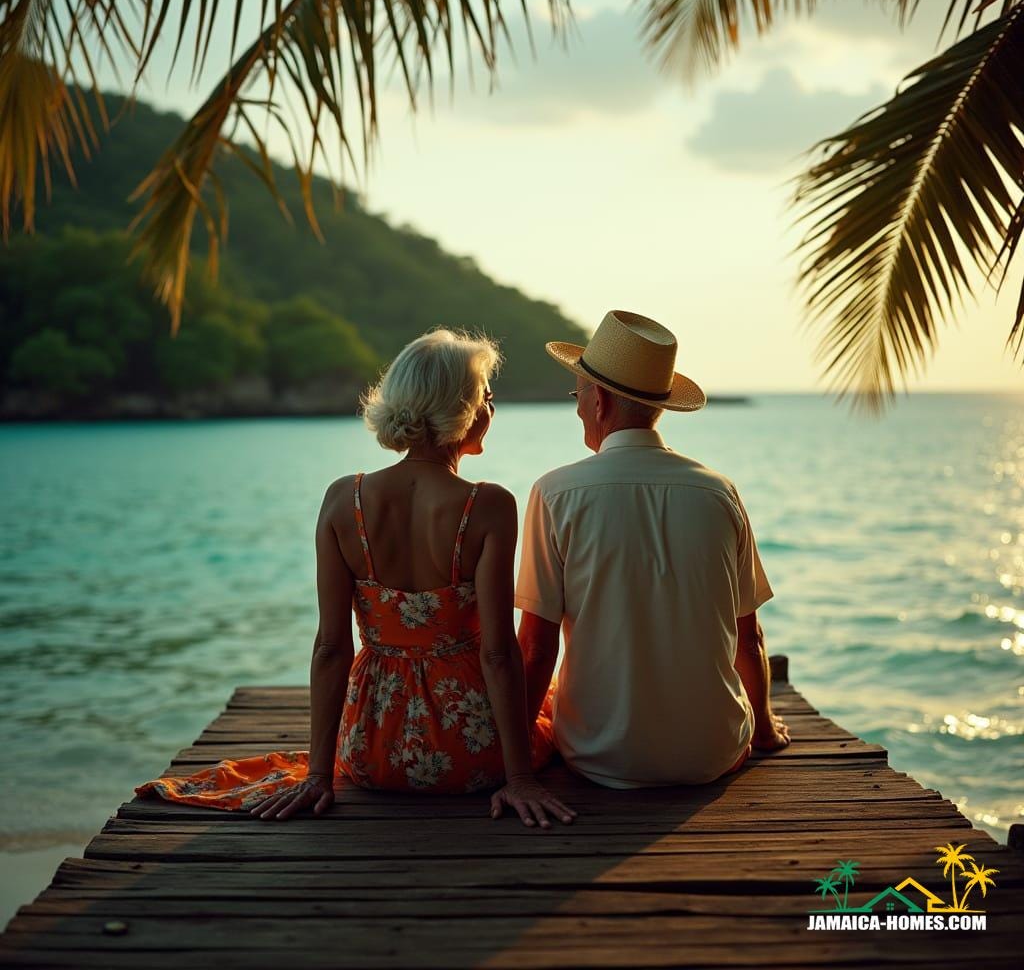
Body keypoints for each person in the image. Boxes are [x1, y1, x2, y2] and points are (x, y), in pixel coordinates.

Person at [136, 328, 577, 830]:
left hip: (370, 750)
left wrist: (319, 776)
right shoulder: (488, 505)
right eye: (487, 397)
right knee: (557, 712)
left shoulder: (343, 499)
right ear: (465, 409)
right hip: (473, 752)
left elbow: (330, 647)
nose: (490, 410)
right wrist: (518, 778)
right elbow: (498, 654)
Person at [513, 310, 790, 790]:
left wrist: (513, 765)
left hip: (598, 754)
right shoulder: (719, 492)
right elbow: (750, 639)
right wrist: (762, 730)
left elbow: (537, 650)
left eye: (577, 394)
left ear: (598, 400)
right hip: (714, 753)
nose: (577, 406)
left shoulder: (555, 493)